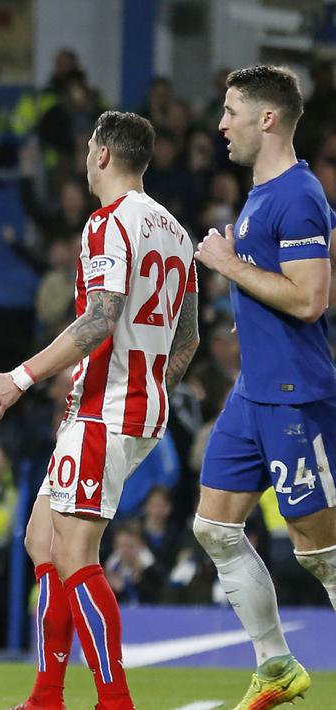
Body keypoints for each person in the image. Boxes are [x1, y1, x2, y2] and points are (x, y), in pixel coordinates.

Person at [0, 111, 200, 710]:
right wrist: (152, 386)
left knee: (75, 554)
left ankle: (113, 701)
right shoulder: (175, 231)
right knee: (41, 539)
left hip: (104, 410)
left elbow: (100, 318)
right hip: (132, 407)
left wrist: (20, 377)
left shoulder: (107, 224)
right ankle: (46, 696)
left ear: (101, 155)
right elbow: (190, 336)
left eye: (88, 147)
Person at [190, 65, 336, 710]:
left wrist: (227, 265)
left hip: (295, 395)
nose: (221, 124)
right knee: (214, 528)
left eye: (231, 112)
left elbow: (310, 300)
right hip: (255, 394)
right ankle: (275, 663)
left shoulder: (298, 195)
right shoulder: (261, 194)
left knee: (322, 552)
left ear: (267, 118)